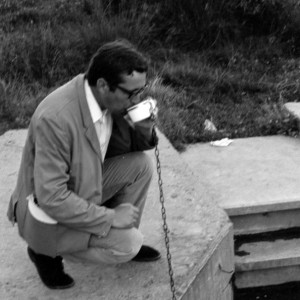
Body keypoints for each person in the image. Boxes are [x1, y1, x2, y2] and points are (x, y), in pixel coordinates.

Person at [7, 39, 161, 290]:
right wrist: (109, 217)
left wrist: (144, 128)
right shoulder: (56, 119)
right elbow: (51, 197)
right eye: (132, 93)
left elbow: (128, 147)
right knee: (127, 245)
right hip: (45, 209)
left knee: (140, 166)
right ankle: (46, 252)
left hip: (83, 183)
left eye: (141, 91)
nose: (137, 99)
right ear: (103, 84)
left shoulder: (110, 99)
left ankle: (109, 232)